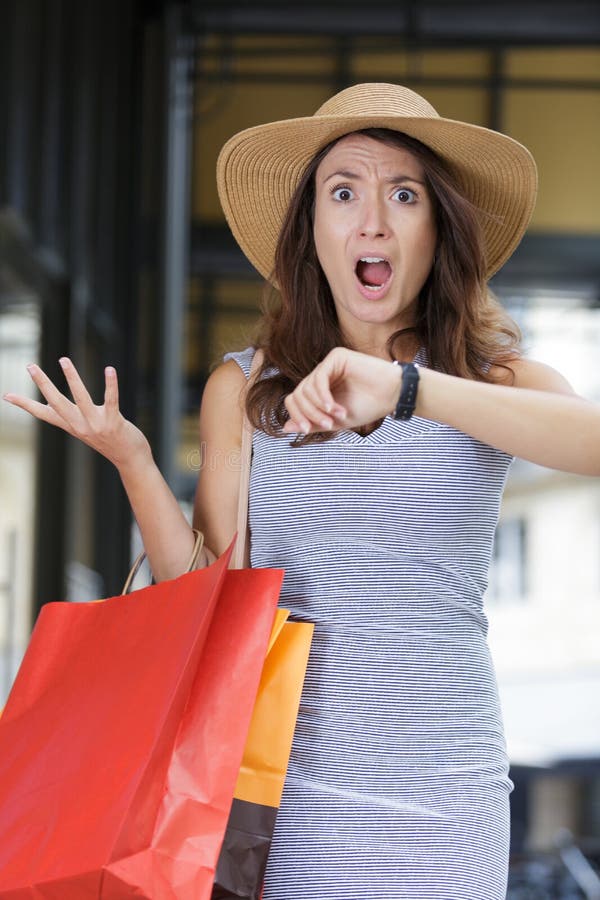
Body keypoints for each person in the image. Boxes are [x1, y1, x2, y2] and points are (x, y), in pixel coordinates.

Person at [4, 82, 600, 898]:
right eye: (343, 192)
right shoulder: (244, 388)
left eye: (404, 194)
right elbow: (199, 596)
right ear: (312, 230)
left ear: (438, 227)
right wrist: (137, 463)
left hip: (447, 797)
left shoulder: (491, 380)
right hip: (277, 797)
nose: (373, 221)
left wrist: (409, 389)